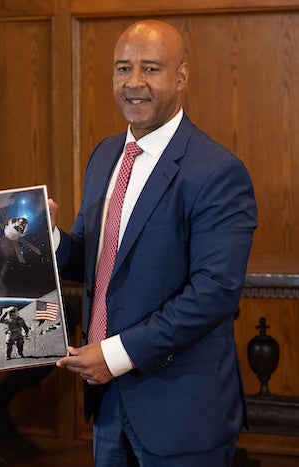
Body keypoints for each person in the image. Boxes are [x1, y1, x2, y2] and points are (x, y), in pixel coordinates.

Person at [52, 20, 257, 465]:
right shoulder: (105, 155)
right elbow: (99, 259)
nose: (134, 83)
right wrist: (46, 240)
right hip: (107, 406)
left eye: (151, 69)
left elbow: (214, 294)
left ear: (181, 77)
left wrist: (115, 355)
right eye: (123, 68)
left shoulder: (217, 171)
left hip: (182, 410)